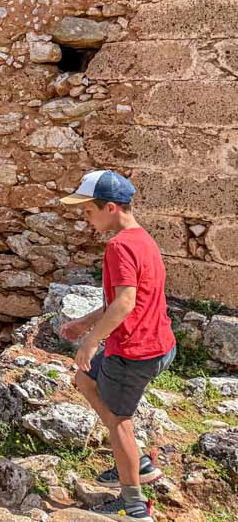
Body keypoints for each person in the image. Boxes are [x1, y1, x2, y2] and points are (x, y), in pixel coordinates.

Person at [58, 170, 177, 519]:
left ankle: (135, 505)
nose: (85, 217)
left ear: (110, 208)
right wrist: (84, 322)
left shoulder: (119, 246)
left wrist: (90, 342)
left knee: (119, 423)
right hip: (158, 344)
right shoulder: (143, 240)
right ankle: (136, 461)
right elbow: (125, 298)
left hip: (135, 352)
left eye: (88, 211)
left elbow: (125, 303)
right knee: (85, 380)